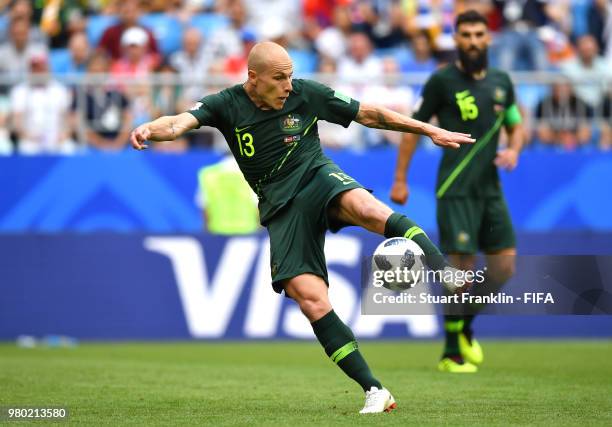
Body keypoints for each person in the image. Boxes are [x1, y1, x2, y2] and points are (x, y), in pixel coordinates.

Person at [129, 41, 474, 414]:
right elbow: (179, 122)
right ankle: (375, 389)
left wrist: (428, 130)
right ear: (253, 78)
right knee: (311, 300)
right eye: (279, 79)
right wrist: (150, 127)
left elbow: (369, 114)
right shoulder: (225, 104)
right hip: (281, 207)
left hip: (316, 176)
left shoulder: (306, 93)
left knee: (367, 207)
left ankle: (444, 271)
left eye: (290, 76)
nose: (288, 86)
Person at [391, 10, 525, 373]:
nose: (472, 41)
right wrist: (400, 179)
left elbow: (515, 124)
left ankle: (464, 325)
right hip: (455, 189)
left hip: (490, 190)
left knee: (503, 267)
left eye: (478, 34)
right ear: (456, 38)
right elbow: (412, 129)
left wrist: (514, 148)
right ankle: (450, 353)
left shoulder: (501, 82)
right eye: (465, 35)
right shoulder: (441, 82)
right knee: (459, 271)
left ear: (488, 38)